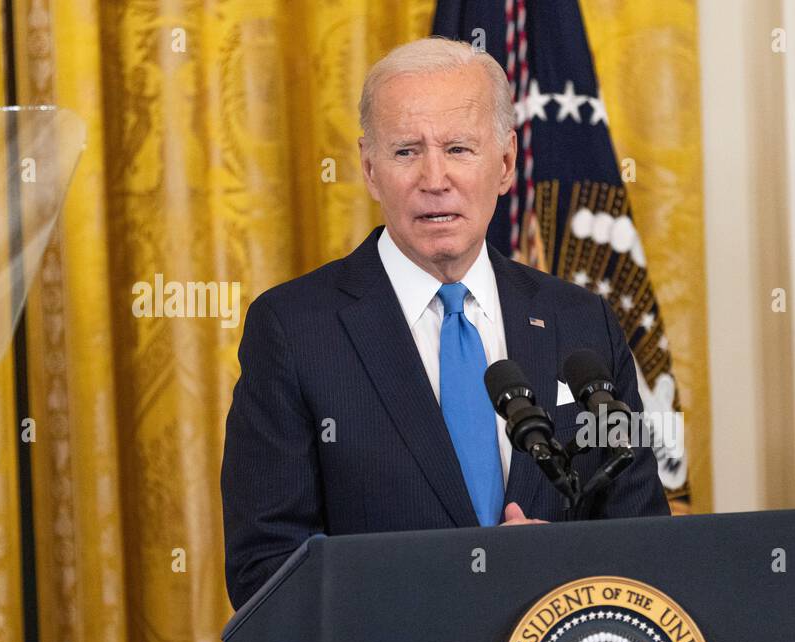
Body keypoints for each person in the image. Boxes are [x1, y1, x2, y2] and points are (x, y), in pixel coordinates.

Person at [221, 38, 668, 610]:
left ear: (505, 163)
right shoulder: (294, 330)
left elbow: (644, 537)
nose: (435, 178)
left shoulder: (581, 321)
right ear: (369, 168)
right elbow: (267, 573)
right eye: (407, 151)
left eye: (459, 148)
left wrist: (559, 570)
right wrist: (464, 586)